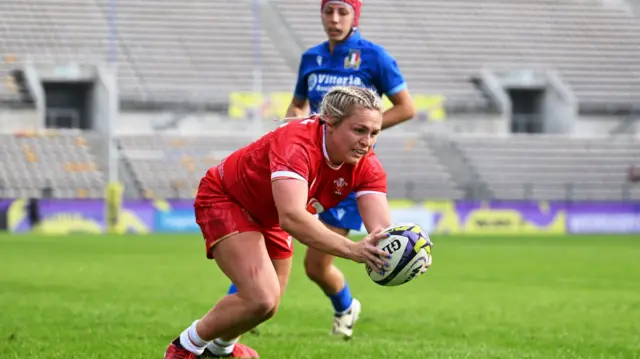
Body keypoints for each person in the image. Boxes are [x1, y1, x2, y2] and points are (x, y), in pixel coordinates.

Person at [165, 86, 406, 359]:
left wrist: (410, 249)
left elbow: (381, 232)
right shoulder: (297, 144)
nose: (367, 141)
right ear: (330, 122)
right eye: (359, 130)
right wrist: (352, 250)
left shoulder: (367, 164)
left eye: (374, 133)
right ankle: (184, 347)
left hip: (271, 215)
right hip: (227, 198)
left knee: (268, 305)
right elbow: (292, 216)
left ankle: (220, 350)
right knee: (260, 296)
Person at [225, 0, 416, 338]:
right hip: (310, 165)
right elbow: (298, 104)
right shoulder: (311, 58)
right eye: (328, 11)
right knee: (273, 232)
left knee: (315, 265)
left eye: (343, 12)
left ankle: (343, 307)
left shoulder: (374, 57)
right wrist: (294, 131)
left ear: (356, 15)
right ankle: (245, 309)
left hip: (348, 173)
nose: (335, 19)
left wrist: (361, 132)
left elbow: (406, 108)